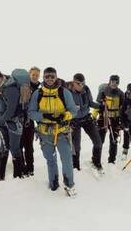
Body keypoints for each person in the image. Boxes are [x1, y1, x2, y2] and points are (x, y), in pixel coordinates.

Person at [28, 67, 78, 196]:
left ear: (56, 77)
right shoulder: (37, 94)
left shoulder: (64, 92)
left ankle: (69, 184)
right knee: (50, 159)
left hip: (62, 131)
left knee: (66, 159)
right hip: (45, 133)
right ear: (43, 78)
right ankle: (53, 183)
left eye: (52, 76)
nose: (49, 79)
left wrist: (64, 116)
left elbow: (73, 110)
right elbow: (31, 112)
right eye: (47, 76)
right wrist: (44, 117)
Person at [0, 68, 32, 180]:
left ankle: (19, 173)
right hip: (5, 121)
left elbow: (11, 110)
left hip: (15, 122)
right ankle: (0, 174)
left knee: (14, 147)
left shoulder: (10, 89)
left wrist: (0, 121)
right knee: (4, 146)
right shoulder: (2, 88)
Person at [67, 73, 102, 172]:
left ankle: (96, 163)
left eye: (83, 83)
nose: (81, 86)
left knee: (98, 142)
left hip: (87, 119)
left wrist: (100, 106)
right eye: (79, 83)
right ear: (73, 82)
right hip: (74, 121)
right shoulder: (67, 92)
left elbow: (90, 102)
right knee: (76, 146)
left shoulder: (86, 89)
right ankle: (75, 166)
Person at [96, 75, 129, 164]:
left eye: (116, 82)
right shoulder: (103, 90)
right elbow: (98, 101)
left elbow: (123, 108)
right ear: (110, 81)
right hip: (104, 117)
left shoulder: (120, 93)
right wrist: (102, 101)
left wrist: (122, 122)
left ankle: (111, 160)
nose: (114, 83)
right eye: (113, 81)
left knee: (114, 140)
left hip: (115, 119)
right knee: (99, 140)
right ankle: (96, 159)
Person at [20, 67, 41, 176]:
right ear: (29, 74)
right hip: (21, 119)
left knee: (29, 146)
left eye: (37, 75)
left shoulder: (41, 88)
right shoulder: (24, 85)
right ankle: (22, 168)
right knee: (20, 145)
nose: (35, 77)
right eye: (33, 74)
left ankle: (30, 168)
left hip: (31, 120)